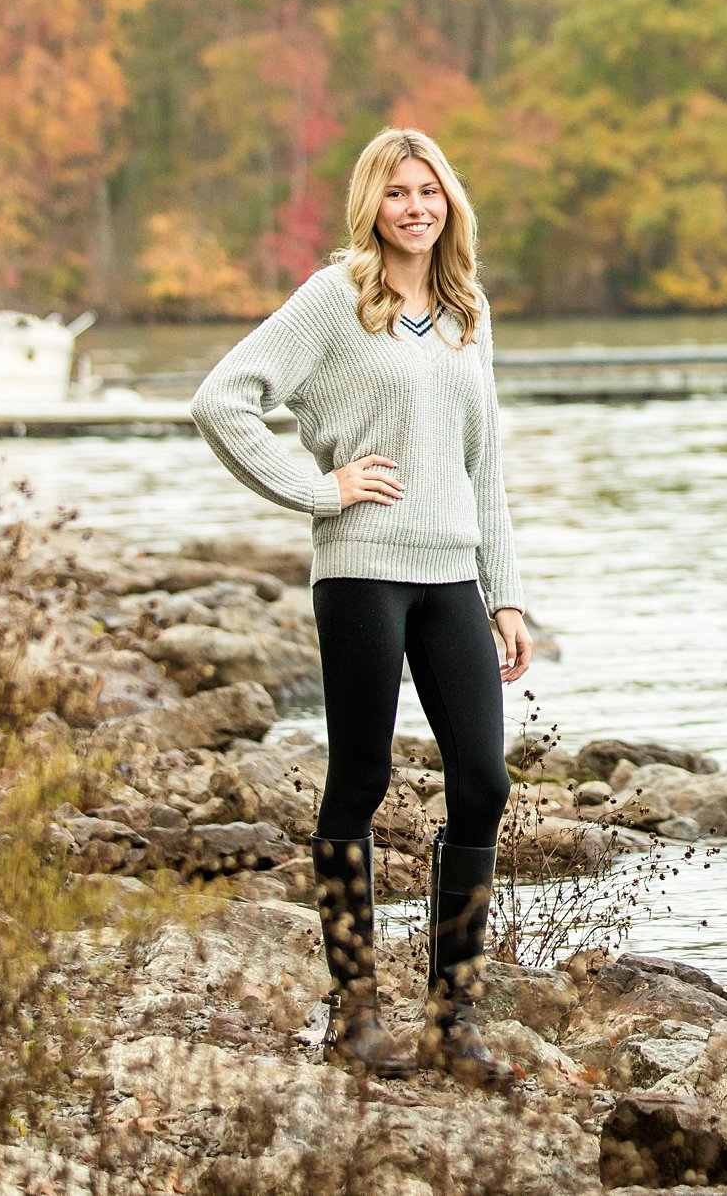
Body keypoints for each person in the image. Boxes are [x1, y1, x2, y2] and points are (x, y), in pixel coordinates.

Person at [192, 126, 533, 1085]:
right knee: (363, 776)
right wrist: (322, 488)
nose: (415, 207)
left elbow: (486, 465)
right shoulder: (335, 300)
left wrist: (505, 594)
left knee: (482, 781)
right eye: (397, 193)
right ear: (371, 206)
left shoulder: (469, 311)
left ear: (450, 203)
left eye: (429, 191)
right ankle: (354, 1013)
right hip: (362, 572)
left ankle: (452, 1022)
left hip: (451, 574)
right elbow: (223, 398)